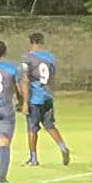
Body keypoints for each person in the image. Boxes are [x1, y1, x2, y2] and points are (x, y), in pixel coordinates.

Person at [21, 30, 69, 166]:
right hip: (47, 96)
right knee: (49, 125)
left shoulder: (27, 58)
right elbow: (52, 77)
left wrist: (24, 101)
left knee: (32, 128)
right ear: (42, 42)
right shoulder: (50, 57)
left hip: (34, 98)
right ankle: (63, 147)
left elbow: (25, 79)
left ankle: (33, 158)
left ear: (31, 42)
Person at [0, 39, 19, 183]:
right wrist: (23, 103)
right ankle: (2, 177)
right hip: (5, 109)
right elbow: (19, 88)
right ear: (4, 52)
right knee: (4, 143)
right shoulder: (11, 69)